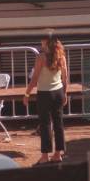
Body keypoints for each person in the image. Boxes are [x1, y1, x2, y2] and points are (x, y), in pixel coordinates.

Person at [23, 34, 68, 165]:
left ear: (46, 42)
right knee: (58, 123)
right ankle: (58, 154)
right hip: (58, 92)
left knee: (46, 124)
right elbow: (65, 78)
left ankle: (45, 155)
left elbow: (35, 78)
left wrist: (26, 94)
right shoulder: (62, 56)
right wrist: (65, 94)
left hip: (44, 94)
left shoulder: (41, 57)